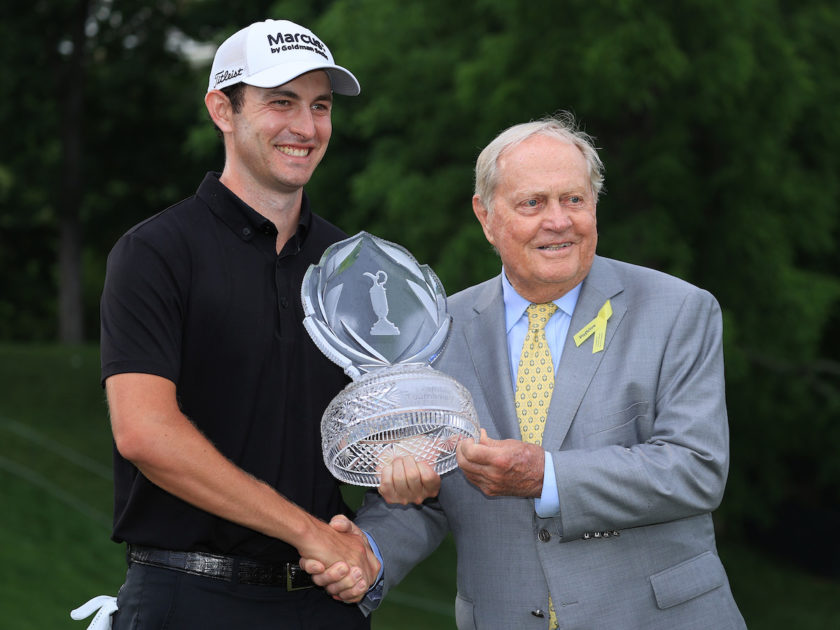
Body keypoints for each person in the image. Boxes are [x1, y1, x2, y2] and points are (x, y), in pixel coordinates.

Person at [305, 113, 748, 629]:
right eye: (533, 203)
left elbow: (695, 469)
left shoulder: (678, 310)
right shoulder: (432, 336)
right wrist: (369, 551)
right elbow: (422, 499)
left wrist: (548, 477)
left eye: (574, 200)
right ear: (485, 215)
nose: (558, 221)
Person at [86, 18, 381, 630]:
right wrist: (309, 533)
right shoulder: (156, 253)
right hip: (187, 598)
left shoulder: (352, 267)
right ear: (222, 109)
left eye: (320, 106)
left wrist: (400, 486)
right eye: (281, 103)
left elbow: (385, 429)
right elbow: (144, 433)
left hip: (323, 602)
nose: (306, 127)